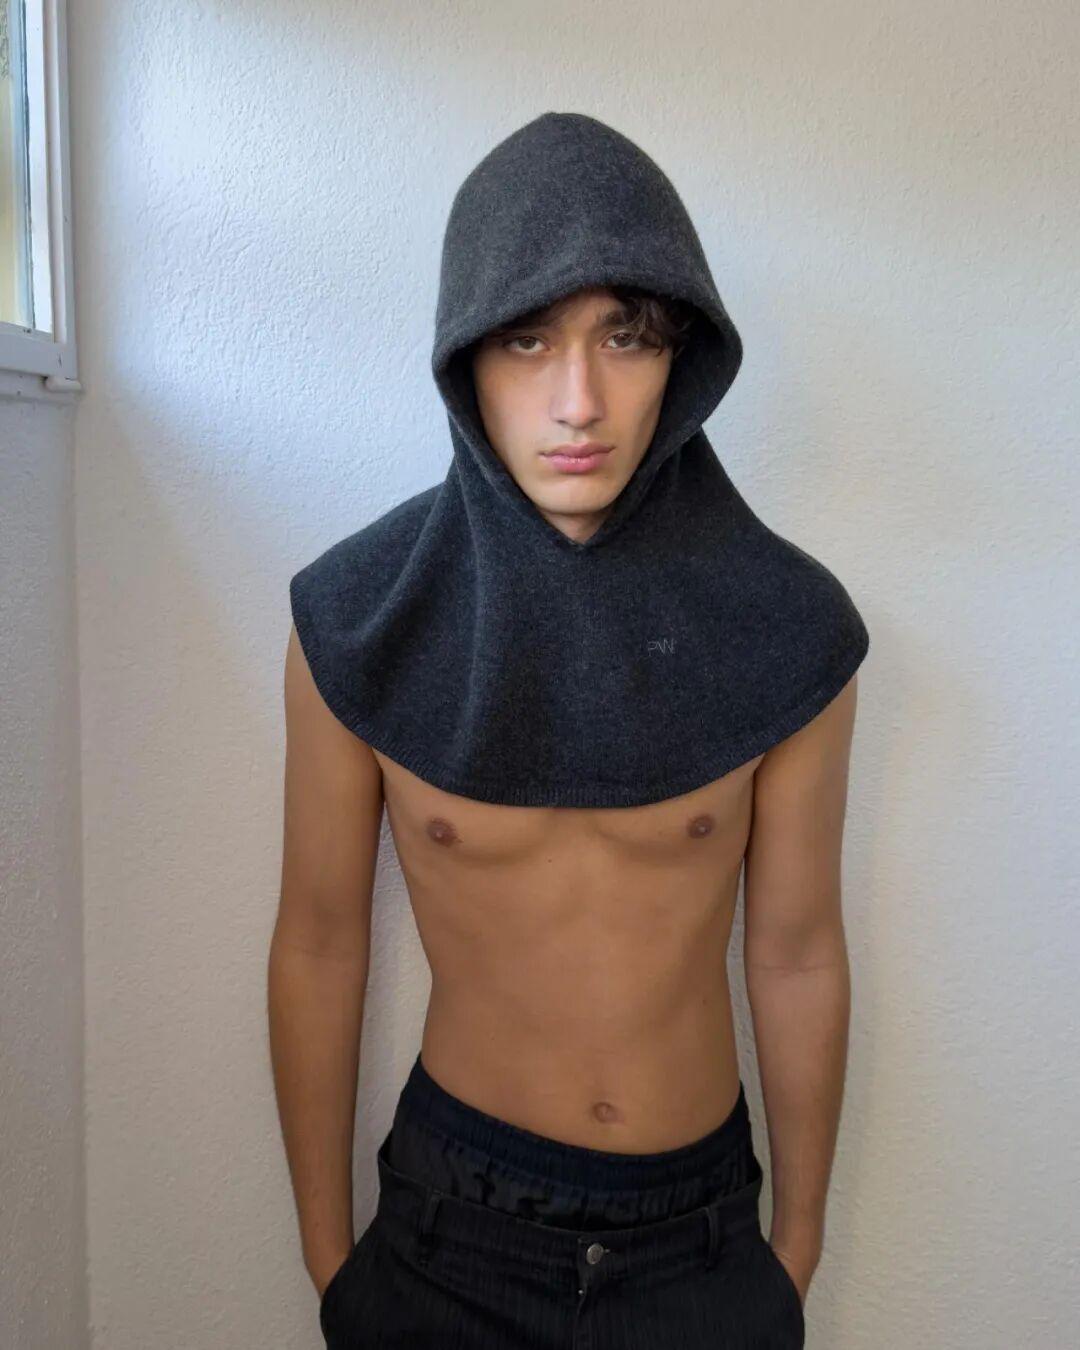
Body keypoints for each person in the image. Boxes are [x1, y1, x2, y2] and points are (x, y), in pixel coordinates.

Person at [269, 111, 868, 1349]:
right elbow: (319, 943)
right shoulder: (358, 619)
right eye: (527, 338)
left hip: (699, 1238)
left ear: (682, 358)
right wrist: (332, 1265)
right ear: (465, 358)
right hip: (447, 1230)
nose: (579, 400)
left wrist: (794, 1256)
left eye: (626, 337)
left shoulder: (791, 628)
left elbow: (799, 952)